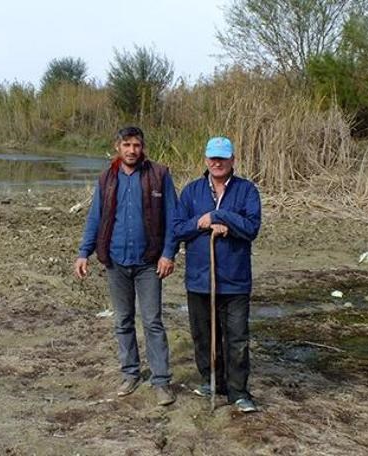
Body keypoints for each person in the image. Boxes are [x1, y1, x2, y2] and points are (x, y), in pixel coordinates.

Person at [74, 126, 179, 406]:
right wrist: (84, 252)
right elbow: (95, 218)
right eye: (126, 145)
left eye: (137, 145)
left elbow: (173, 219)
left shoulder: (159, 175)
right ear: (117, 147)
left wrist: (168, 254)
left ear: (143, 147)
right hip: (116, 261)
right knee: (122, 321)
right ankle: (130, 374)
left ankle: (161, 382)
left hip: (149, 263)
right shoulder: (106, 178)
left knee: (153, 322)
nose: (132, 150)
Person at [173, 136, 261, 413]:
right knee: (203, 335)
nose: (217, 162)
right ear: (205, 159)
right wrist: (203, 224)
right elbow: (178, 228)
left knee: (236, 338)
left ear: (233, 160)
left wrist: (222, 218)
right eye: (213, 157)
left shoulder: (247, 191)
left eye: (223, 157)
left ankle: (238, 393)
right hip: (199, 280)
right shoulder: (191, 192)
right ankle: (212, 381)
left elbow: (251, 227)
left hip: (235, 281)